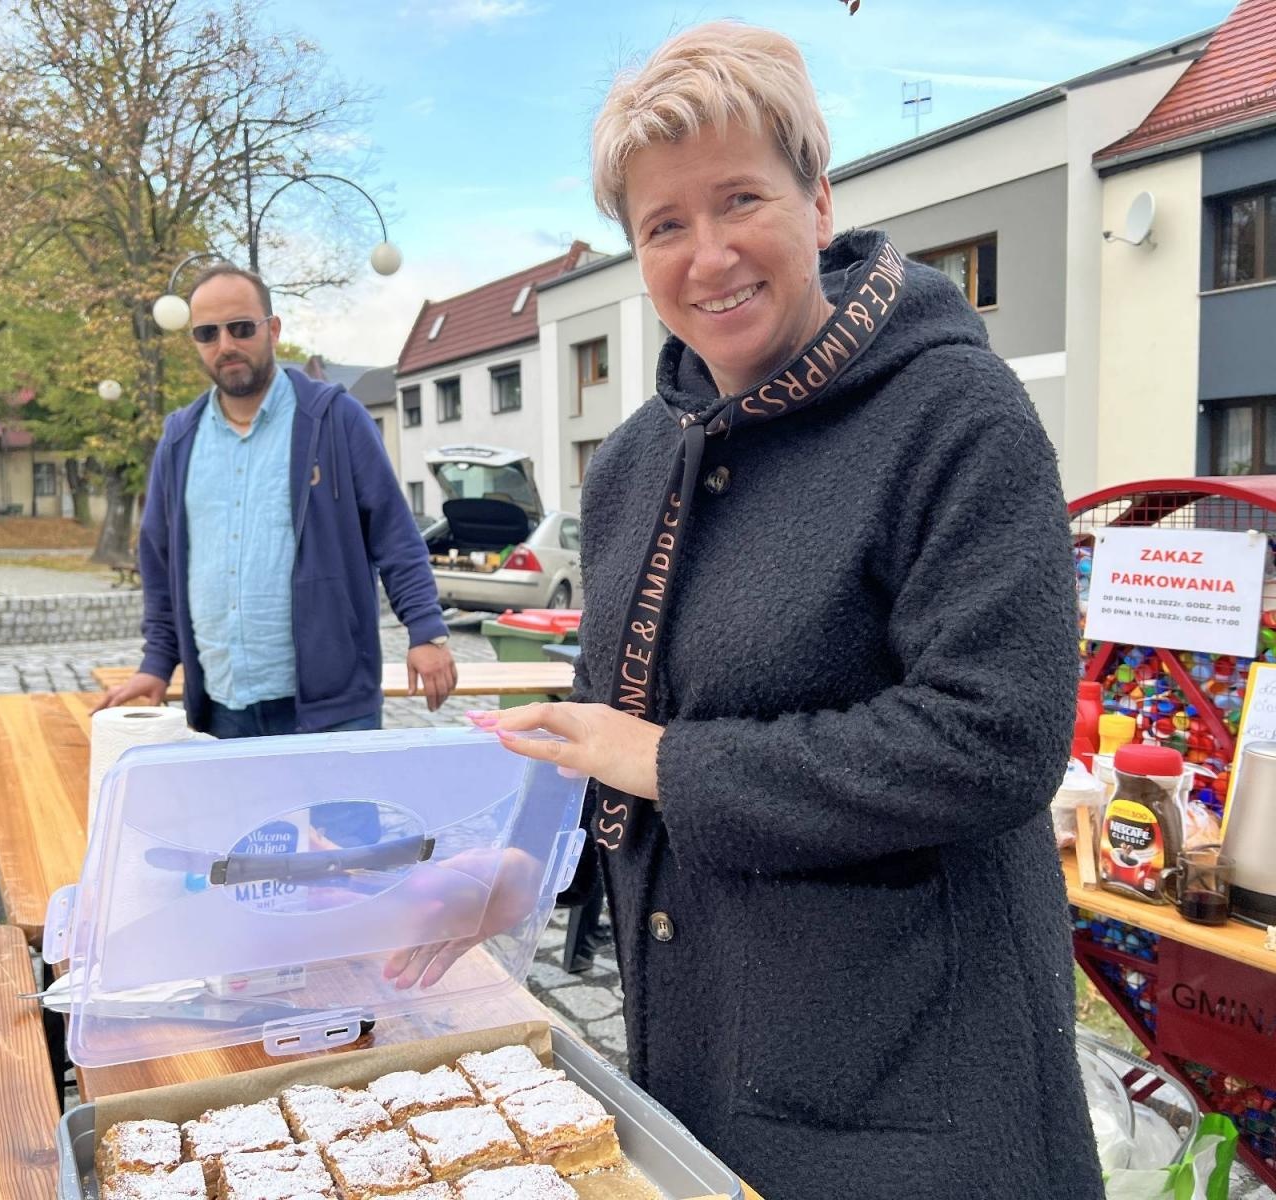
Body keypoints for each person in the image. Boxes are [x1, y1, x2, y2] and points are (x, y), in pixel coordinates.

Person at [470, 22, 1104, 1199]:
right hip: (701, 1039)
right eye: (663, 225)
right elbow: (630, 726)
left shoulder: (955, 417)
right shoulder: (633, 462)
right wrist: (510, 847)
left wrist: (670, 765)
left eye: (739, 200)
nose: (706, 256)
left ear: (819, 202)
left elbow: (995, 741)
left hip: (914, 1084)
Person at [97, 263, 457, 747]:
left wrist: (426, 632)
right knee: (237, 827)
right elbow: (160, 563)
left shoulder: (334, 420)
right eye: (207, 333)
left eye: (241, 328)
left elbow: (395, 534)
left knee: (340, 826)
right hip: (222, 709)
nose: (225, 345)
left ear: (273, 328)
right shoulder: (179, 439)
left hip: (333, 708)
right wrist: (158, 664)